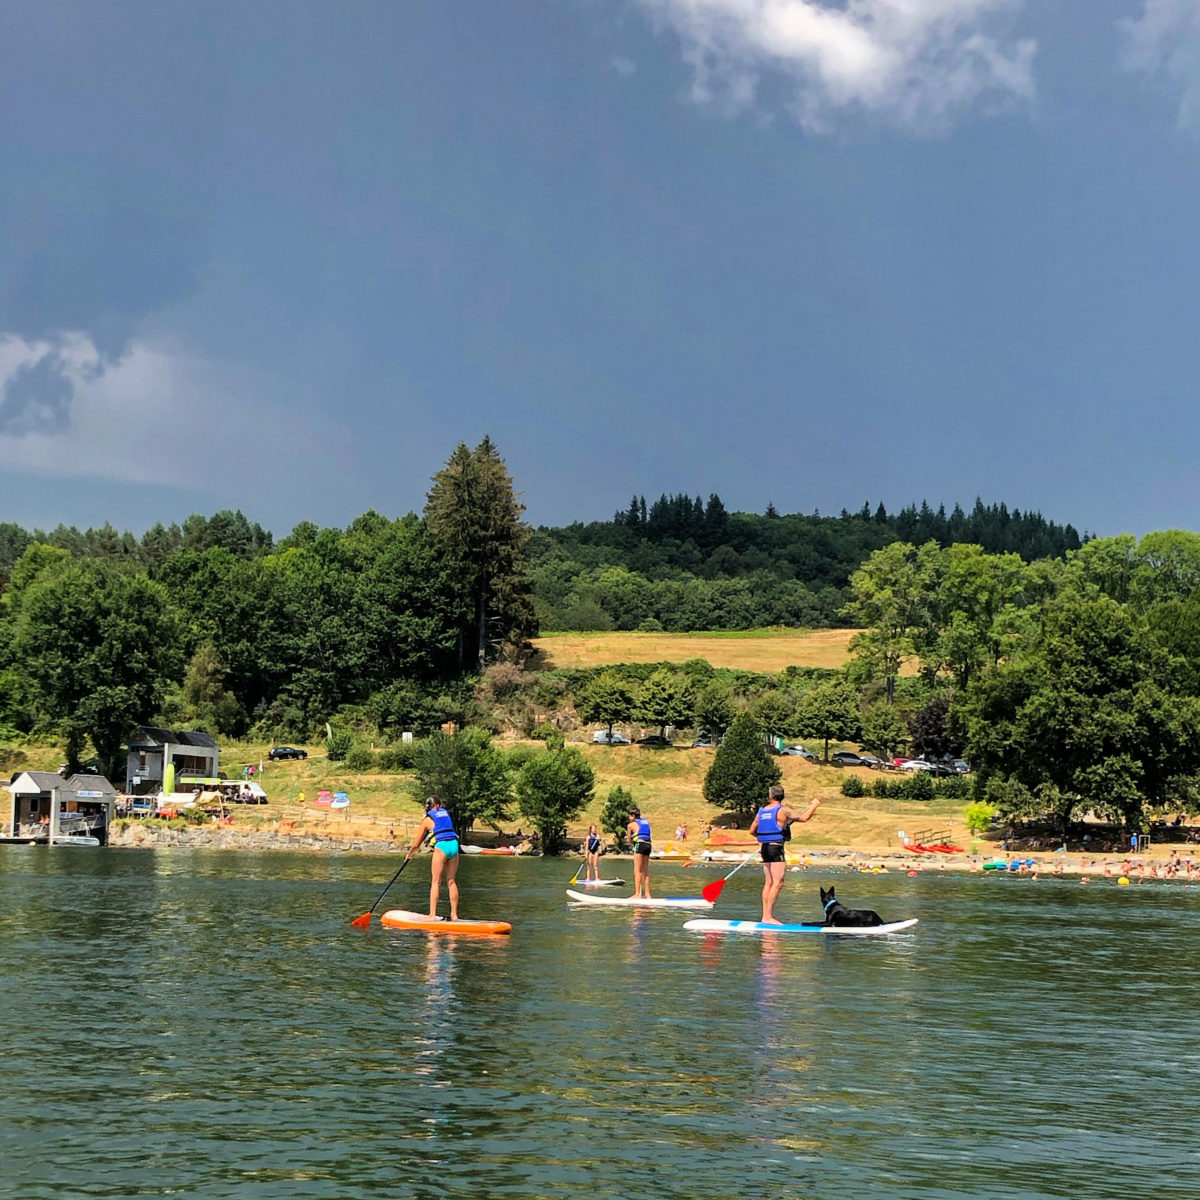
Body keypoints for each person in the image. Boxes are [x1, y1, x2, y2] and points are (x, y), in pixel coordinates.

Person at [748, 785, 822, 924]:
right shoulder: (783, 811)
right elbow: (804, 818)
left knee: (769, 883)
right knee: (778, 883)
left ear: (770, 796)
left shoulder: (762, 811)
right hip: (776, 849)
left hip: (765, 848)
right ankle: (768, 917)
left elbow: (752, 830)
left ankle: (765, 916)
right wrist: (815, 805)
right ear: (782, 796)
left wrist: (763, 838)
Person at [407, 796, 460, 921]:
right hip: (454, 845)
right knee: (451, 881)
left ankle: (432, 915)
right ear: (437, 805)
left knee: (436, 881)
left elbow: (416, 844)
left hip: (442, 847)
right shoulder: (445, 813)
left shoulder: (426, 820)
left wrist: (409, 855)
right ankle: (454, 915)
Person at [627, 807, 653, 899]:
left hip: (640, 845)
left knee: (637, 870)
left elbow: (629, 839)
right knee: (645, 871)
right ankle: (648, 894)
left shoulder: (630, 825)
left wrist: (633, 843)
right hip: (648, 846)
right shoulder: (646, 822)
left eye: (629, 816)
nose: (629, 818)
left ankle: (638, 894)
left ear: (633, 816)